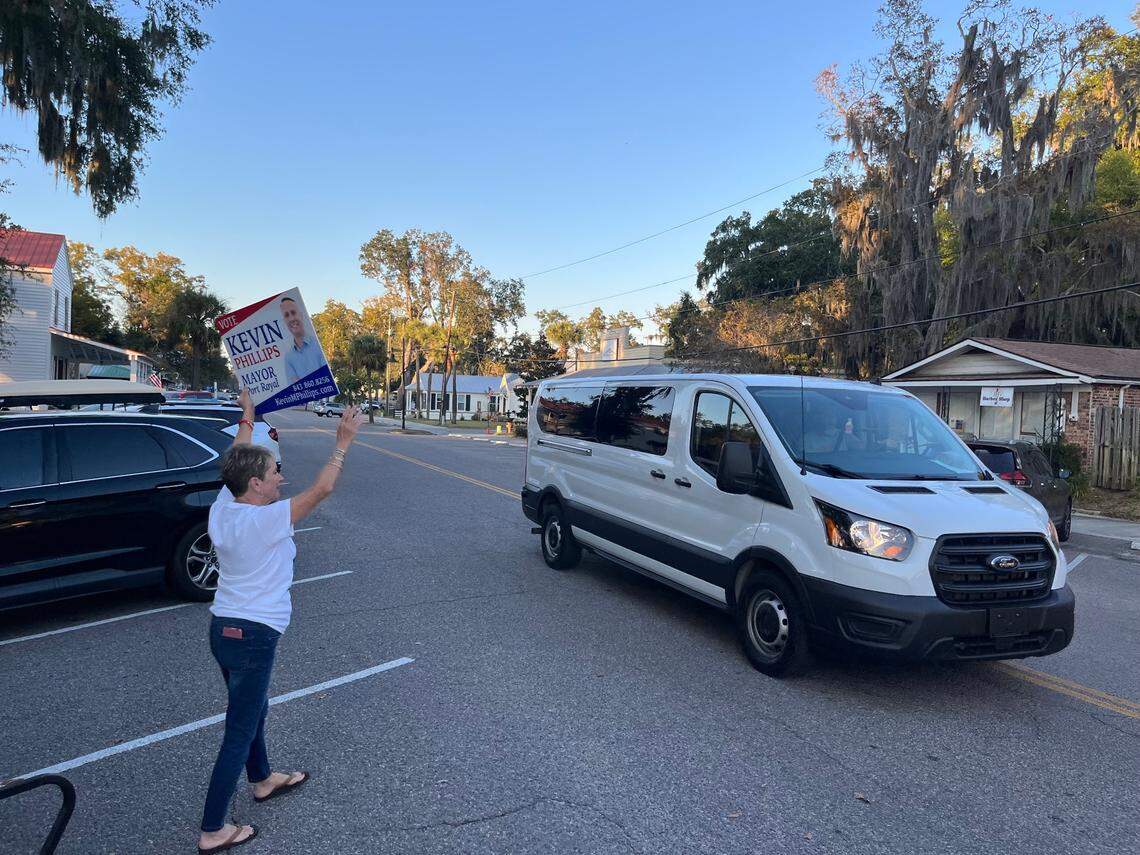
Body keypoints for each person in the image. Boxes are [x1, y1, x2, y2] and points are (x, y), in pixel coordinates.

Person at [197, 388, 363, 854]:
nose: (280, 477)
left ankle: (264, 779)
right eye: (274, 473)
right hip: (252, 634)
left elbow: (235, 459)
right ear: (255, 485)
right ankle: (213, 829)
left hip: (224, 628)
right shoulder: (263, 520)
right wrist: (343, 441)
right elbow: (323, 488)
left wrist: (247, 417)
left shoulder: (224, 506)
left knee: (253, 710)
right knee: (240, 728)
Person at [281, 296, 325, 384]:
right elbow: (294, 388)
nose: (291, 318)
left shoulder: (319, 345)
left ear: (300, 315)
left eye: (293, 313)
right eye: (287, 315)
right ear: (284, 321)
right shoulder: (288, 357)